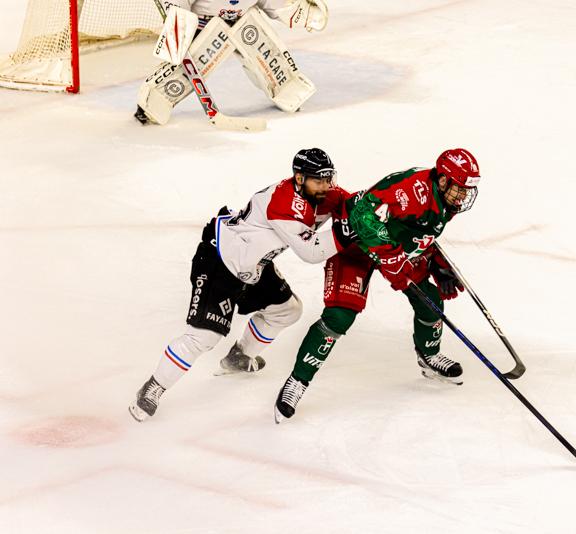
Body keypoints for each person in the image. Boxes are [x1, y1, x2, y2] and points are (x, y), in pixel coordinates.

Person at [129, 148, 349, 422]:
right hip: (221, 261)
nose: (326, 186)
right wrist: (350, 232)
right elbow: (312, 252)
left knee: (288, 310)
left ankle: (238, 356)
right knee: (204, 337)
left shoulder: (322, 194)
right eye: (319, 180)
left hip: (252, 264)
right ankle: (153, 388)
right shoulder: (284, 202)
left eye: (328, 178)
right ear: (299, 178)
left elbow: (354, 204)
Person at [273, 148, 481, 422]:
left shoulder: (443, 199)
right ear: (443, 180)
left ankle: (429, 356)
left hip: (392, 247)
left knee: (430, 301)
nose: (463, 196)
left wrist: (434, 260)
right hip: (354, 245)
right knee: (339, 317)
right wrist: (392, 259)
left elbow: (416, 229)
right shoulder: (411, 191)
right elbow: (363, 216)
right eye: (460, 189)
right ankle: (297, 381)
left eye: (467, 190)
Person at [134, 0, 329, 125]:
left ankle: (287, 88)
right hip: (204, 25)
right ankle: (155, 100)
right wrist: (179, 22)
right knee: (187, 69)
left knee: (268, 56)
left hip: (243, 20)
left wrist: (299, 11)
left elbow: (273, 2)